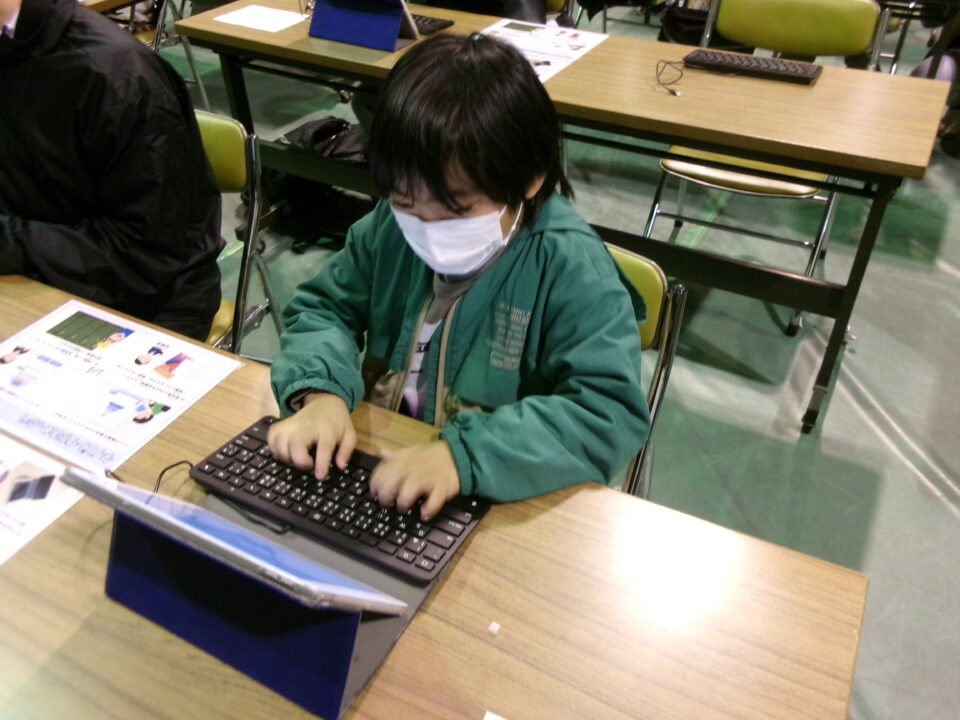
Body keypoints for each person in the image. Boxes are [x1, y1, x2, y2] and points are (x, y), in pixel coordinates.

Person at [268, 33, 650, 521]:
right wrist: (320, 393)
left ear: (529, 178)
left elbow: (605, 412)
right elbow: (325, 309)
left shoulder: (570, 267)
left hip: (498, 488)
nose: (428, 227)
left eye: (457, 209)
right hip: (388, 456)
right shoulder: (388, 228)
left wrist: (462, 456)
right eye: (406, 203)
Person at [0, 0, 223, 341]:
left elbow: (147, 253)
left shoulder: (116, 74)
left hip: (146, 299)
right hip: (35, 267)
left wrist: (8, 241)